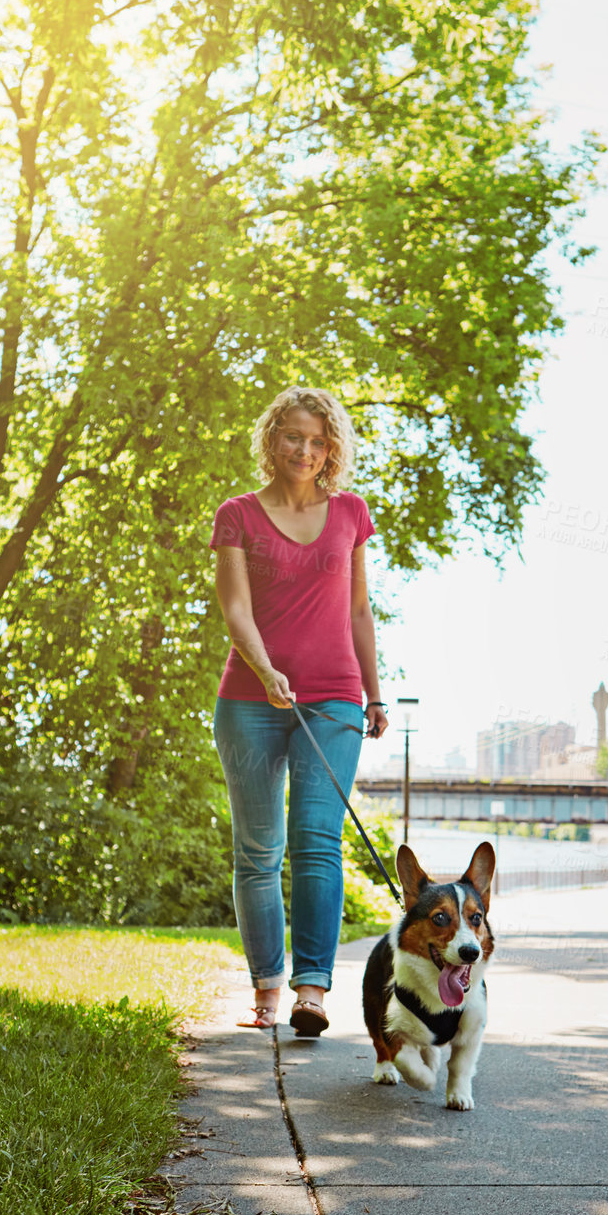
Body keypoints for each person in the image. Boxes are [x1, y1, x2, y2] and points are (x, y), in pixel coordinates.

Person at [210, 388, 388, 1036]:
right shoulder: (237, 515)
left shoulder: (350, 513)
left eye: (318, 441)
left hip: (335, 697)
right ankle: (266, 996)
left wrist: (375, 693)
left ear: (332, 447)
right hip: (248, 703)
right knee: (258, 852)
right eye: (293, 437)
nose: (305, 452)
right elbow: (235, 610)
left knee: (317, 841)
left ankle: (312, 993)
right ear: (272, 438)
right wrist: (265, 671)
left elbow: (358, 610)